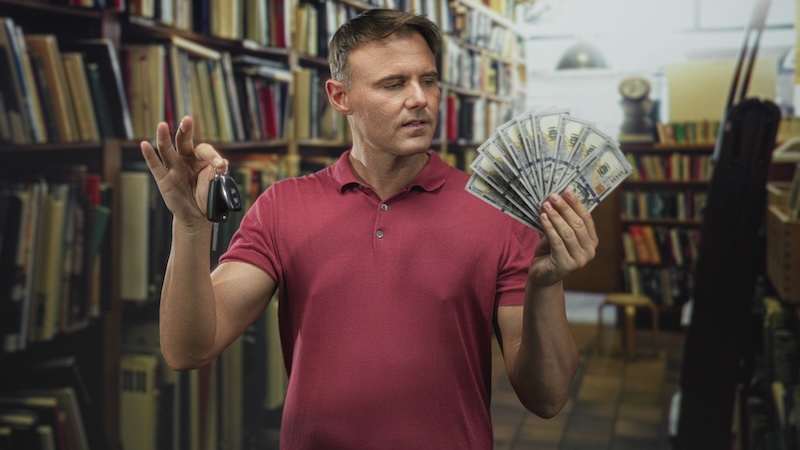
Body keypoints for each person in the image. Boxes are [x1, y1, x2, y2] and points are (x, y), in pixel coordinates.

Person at [140, 8, 598, 449]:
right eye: (394, 83)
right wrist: (190, 226)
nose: (419, 98)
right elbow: (189, 349)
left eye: (428, 80)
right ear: (341, 96)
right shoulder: (282, 206)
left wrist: (545, 286)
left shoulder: (498, 213)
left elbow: (547, 397)